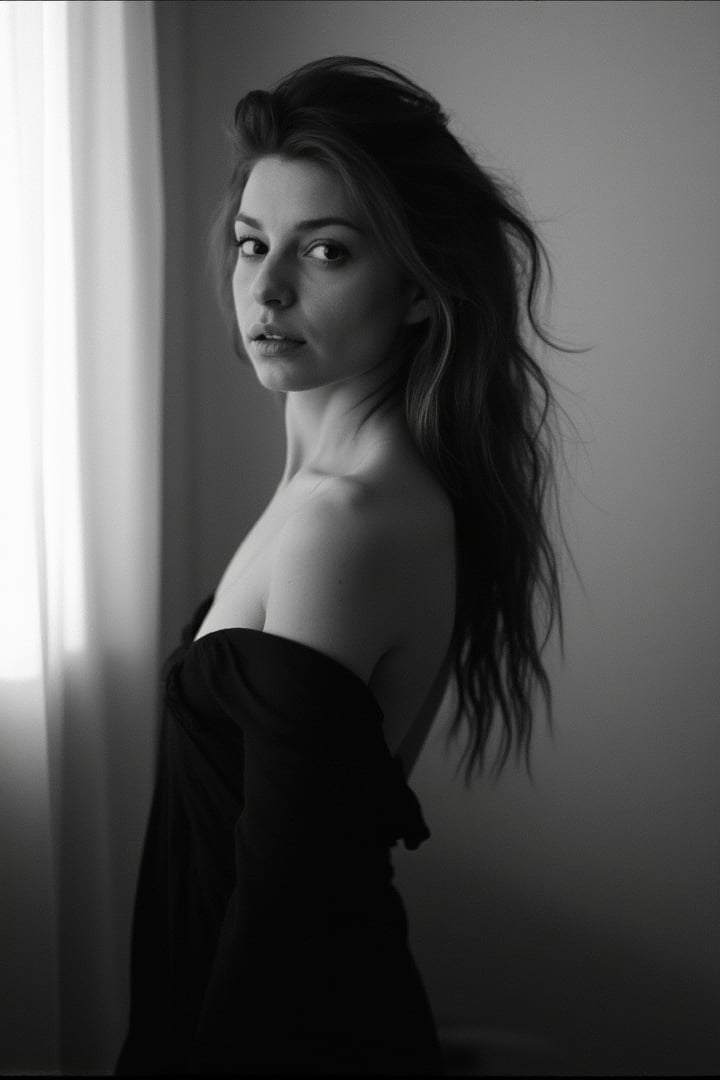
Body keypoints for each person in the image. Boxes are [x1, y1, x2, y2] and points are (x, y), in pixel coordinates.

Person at [116, 56, 566, 1075]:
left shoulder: (346, 522)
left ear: (417, 289)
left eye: (324, 251)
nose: (265, 288)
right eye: (250, 244)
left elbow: (284, 922)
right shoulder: (324, 495)